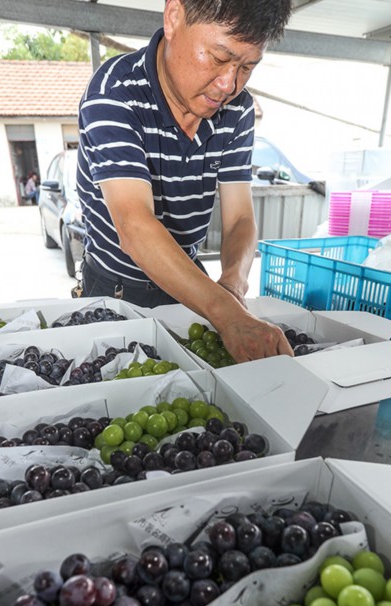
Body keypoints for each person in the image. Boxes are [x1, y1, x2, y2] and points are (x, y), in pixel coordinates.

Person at [77, 0, 294, 362]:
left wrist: (232, 286)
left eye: (247, 67)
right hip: (115, 287)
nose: (228, 84)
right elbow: (135, 227)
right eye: (219, 57)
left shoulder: (237, 109)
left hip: (192, 284)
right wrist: (226, 314)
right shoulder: (114, 92)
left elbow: (240, 218)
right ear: (175, 16)